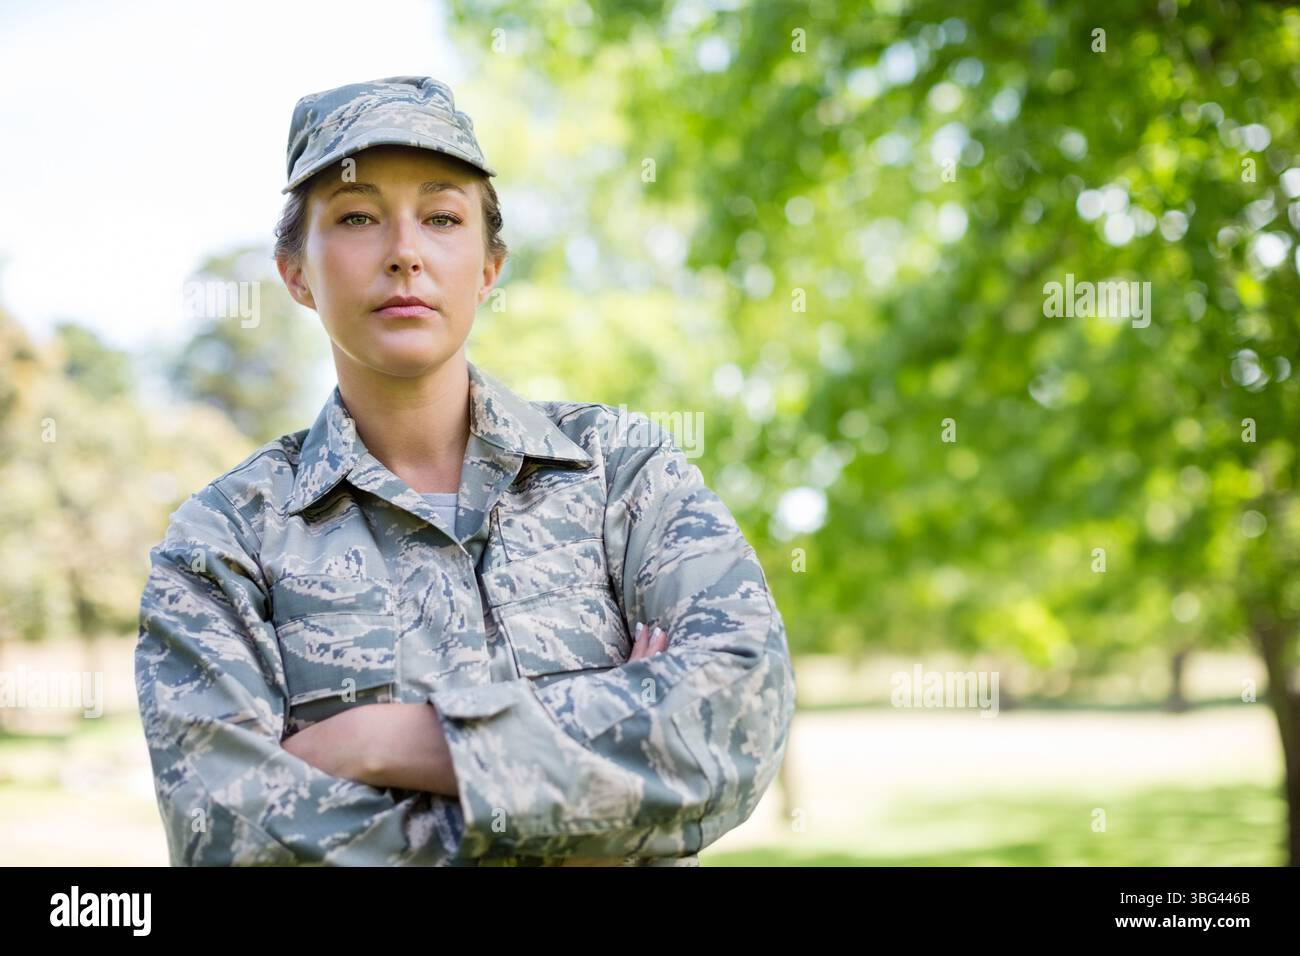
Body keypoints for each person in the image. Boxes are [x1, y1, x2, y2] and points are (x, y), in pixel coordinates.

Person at [134, 76, 797, 866]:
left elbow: (739, 713)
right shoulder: (224, 543)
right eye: (356, 217)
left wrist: (388, 743)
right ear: (296, 273)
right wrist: (604, 785)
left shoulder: (621, 471)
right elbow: (236, 843)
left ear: (488, 266)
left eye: (443, 218)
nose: (405, 253)